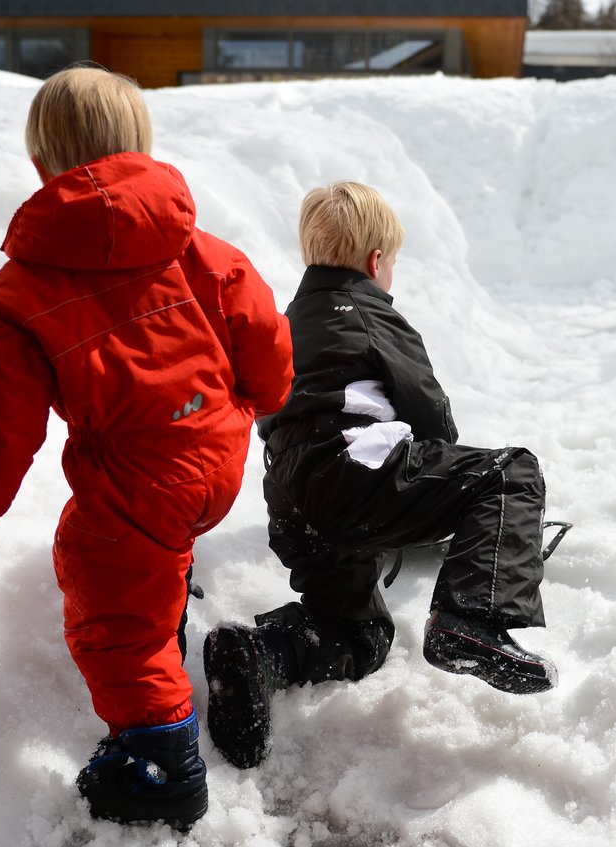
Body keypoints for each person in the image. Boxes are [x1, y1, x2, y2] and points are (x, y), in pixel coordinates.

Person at [0, 66, 293, 827]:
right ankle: (171, 607)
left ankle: (161, 762)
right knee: (155, 548)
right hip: (216, 457)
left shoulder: (13, 296)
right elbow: (267, 342)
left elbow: (3, 428)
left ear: (41, 165)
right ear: (139, 146)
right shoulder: (204, 251)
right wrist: (254, 403)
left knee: (110, 607)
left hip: (137, 480)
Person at [202, 181, 555, 771]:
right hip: (357, 472)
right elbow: (429, 413)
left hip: (293, 503)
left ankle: (260, 655)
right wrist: (445, 511)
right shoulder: (370, 312)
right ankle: (472, 614)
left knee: (356, 635)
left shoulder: (286, 322)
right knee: (508, 473)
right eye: (391, 262)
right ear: (375, 262)